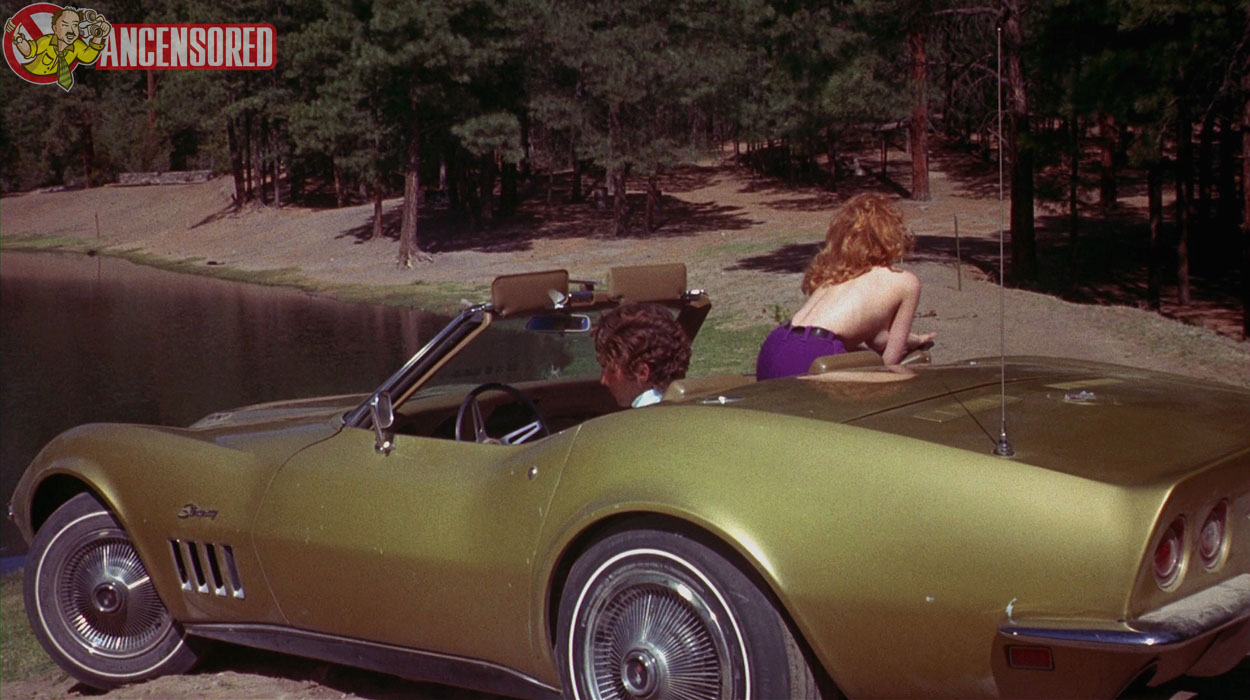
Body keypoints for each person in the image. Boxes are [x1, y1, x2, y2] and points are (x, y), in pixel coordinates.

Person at [756, 192, 934, 379]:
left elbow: (878, 338)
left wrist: (912, 339)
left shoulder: (838, 275)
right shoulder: (906, 282)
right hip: (815, 355)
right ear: (892, 233)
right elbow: (889, 362)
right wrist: (910, 343)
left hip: (775, 346)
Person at [594, 302, 691, 408]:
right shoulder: (689, 407)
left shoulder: (645, 416)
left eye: (611, 370)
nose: (604, 380)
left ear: (642, 372)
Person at [6, 7, 111, 92]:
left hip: (53, 88)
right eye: (65, 25)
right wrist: (17, 38)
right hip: (29, 79)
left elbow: (89, 56)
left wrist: (99, 35)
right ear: (55, 29)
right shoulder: (47, 41)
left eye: (75, 26)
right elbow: (29, 50)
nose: (70, 31)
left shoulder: (77, 46)